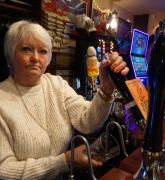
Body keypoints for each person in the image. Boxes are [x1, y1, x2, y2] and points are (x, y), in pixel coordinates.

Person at [0, 20, 129, 180]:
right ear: (10, 54)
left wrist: (106, 89)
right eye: (26, 49)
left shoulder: (57, 84)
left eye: (43, 51)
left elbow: (87, 121)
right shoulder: (3, 99)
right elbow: (3, 170)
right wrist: (63, 161)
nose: (35, 58)